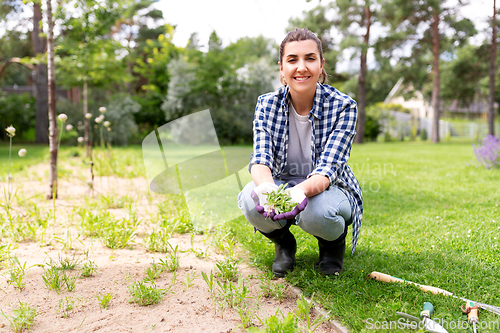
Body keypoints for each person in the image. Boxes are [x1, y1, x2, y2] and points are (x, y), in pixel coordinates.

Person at [237, 28, 363, 277]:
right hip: (284, 182)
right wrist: (267, 189)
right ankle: (284, 244)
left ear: (321, 65)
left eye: (310, 58)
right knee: (250, 199)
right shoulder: (266, 104)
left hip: (330, 188)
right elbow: (260, 158)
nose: (301, 67)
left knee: (315, 212)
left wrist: (300, 192)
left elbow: (329, 168)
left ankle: (331, 246)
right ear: (281, 68)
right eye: (292, 60)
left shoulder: (344, 106)